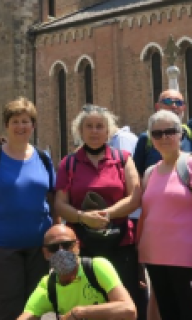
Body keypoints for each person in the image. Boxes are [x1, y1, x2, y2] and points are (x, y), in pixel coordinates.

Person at [55, 105, 145, 320]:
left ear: (108, 131)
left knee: (126, 302)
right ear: (80, 131)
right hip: (83, 246)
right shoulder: (68, 163)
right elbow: (59, 204)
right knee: (88, 301)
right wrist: (82, 217)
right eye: (89, 126)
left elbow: (135, 197)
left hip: (121, 243)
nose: (94, 131)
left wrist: (107, 214)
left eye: (99, 126)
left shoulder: (123, 159)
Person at [0, 97, 55, 320]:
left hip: (39, 248)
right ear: (7, 125)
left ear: (33, 125)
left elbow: (53, 202)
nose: (20, 126)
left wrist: (55, 242)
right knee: (9, 309)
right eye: (15, 121)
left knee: (35, 309)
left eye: (25, 121)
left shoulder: (44, 159)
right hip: (3, 249)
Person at [137, 109, 192, 320]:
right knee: (169, 314)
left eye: (170, 131)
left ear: (180, 133)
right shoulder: (150, 173)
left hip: (187, 261)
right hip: (155, 259)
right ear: (151, 139)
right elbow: (147, 216)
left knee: (191, 315)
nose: (164, 137)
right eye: (157, 133)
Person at [131, 53, 192, 175]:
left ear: (184, 107)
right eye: (168, 101)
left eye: (178, 102)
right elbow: (136, 177)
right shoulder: (147, 138)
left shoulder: (191, 131)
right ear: (158, 107)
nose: (174, 106)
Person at [17, 225, 136, 320]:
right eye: (54, 248)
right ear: (45, 253)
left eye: (67, 245)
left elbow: (129, 309)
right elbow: (28, 315)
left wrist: (79, 312)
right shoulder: (48, 285)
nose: (61, 252)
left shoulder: (96, 267)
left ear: (77, 246)